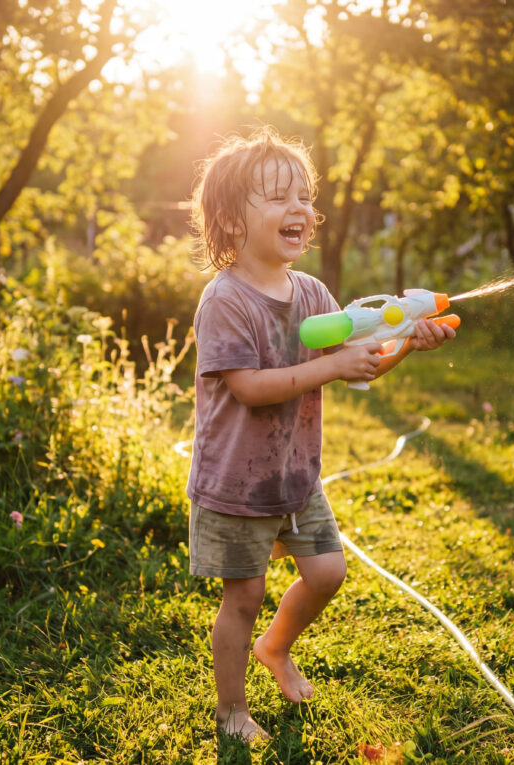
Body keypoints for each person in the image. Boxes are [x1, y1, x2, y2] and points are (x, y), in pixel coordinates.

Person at [186, 126, 455, 742]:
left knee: (329, 573)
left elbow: (362, 359)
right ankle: (232, 711)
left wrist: (407, 342)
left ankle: (275, 647)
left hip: (294, 474)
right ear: (231, 221)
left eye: (304, 196)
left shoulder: (312, 293)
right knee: (243, 597)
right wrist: (329, 365)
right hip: (236, 482)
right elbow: (249, 386)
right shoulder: (226, 299)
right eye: (278, 198)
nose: (300, 209)